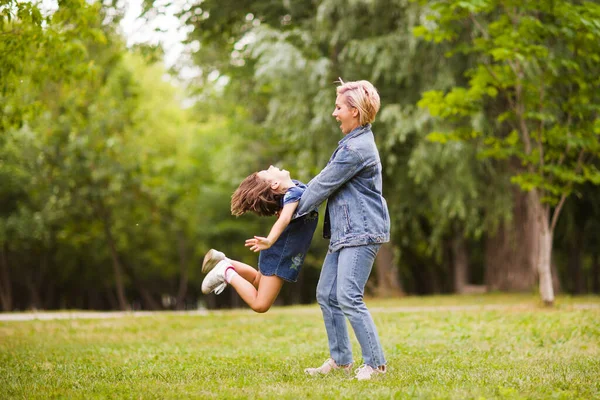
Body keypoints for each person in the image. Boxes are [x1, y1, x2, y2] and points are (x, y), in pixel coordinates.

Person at [296, 79, 390, 381]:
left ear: (355, 111)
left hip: (362, 232)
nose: (334, 113)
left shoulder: (356, 149)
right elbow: (321, 183)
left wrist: (287, 209)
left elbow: (321, 186)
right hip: (346, 232)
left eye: (339, 108)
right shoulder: (352, 143)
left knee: (348, 295)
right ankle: (341, 360)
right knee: (327, 293)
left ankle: (375, 364)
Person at [201, 166, 318, 313]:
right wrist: (269, 240)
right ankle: (226, 272)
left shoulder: (294, 188)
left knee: (257, 280)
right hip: (280, 253)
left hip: (277, 248)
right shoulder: (294, 194)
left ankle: (224, 261)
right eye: (268, 173)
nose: (271, 167)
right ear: (275, 184)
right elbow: (284, 219)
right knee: (260, 305)